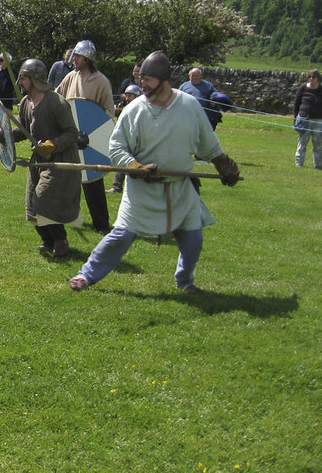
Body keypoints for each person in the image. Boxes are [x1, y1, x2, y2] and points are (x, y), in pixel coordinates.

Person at [69, 51, 241, 293]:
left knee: (193, 239)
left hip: (180, 188)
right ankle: (86, 275)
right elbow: (116, 146)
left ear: (163, 80)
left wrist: (222, 163)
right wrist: (134, 167)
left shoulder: (189, 106)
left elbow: (207, 142)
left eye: (147, 79)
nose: (142, 83)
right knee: (121, 236)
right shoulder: (134, 110)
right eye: (142, 79)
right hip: (142, 187)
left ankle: (185, 280)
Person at [0, 59, 82, 257]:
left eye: (23, 79)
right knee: (32, 203)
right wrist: (7, 135)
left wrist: (52, 144)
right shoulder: (26, 103)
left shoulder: (56, 103)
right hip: (39, 161)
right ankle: (47, 240)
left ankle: (60, 240)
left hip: (60, 160)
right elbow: (24, 130)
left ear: (34, 80)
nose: (19, 83)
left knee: (43, 199)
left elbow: (72, 133)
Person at [56, 39, 115, 234]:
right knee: (69, 179)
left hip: (91, 139)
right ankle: (67, 217)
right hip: (70, 135)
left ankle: (101, 224)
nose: (74, 59)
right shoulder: (70, 77)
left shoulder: (101, 81)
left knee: (93, 183)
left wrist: (93, 123)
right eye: (74, 56)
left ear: (88, 58)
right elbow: (58, 99)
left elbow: (108, 113)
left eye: (78, 56)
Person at [107, 84, 141, 193]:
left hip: (138, 140)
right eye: (126, 95)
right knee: (123, 161)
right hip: (126, 139)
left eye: (130, 95)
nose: (127, 98)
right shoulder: (125, 107)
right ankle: (116, 187)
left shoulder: (140, 108)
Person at [293, 68, 322, 169]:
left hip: (318, 120)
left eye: (313, 77)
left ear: (318, 78)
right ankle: (299, 163)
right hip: (304, 119)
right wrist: (295, 118)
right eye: (309, 76)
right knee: (302, 142)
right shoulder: (303, 88)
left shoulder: (321, 90)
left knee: (318, 143)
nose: (311, 79)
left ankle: (318, 164)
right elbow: (296, 103)